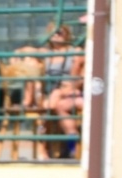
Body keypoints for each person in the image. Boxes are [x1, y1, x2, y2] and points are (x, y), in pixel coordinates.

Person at [40, 24, 85, 158]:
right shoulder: (45, 53)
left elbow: (81, 76)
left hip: (69, 91)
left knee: (49, 109)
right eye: (53, 32)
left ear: (67, 34)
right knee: (55, 106)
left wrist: (69, 88)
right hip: (51, 94)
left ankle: (71, 148)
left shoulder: (75, 52)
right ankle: (70, 148)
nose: (56, 35)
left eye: (60, 32)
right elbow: (23, 51)